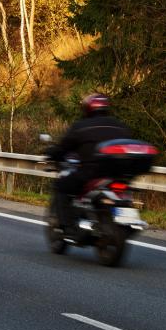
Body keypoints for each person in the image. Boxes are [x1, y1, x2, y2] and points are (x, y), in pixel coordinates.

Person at [46, 93, 132, 230]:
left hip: (91, 173)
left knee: (60, 185)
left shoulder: (81, 126)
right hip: (116, 173)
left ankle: (67, 226)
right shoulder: (120, 126)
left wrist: (51, 153)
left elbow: (64, 147)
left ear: (87, 108)